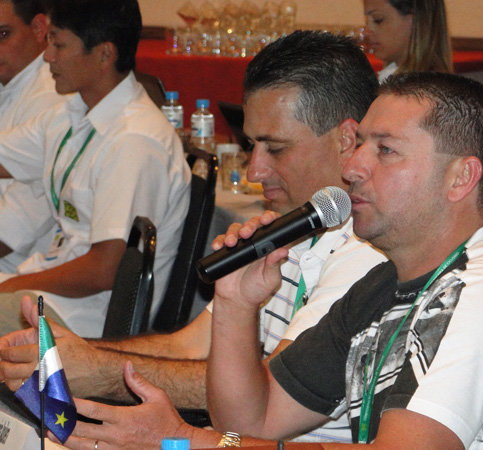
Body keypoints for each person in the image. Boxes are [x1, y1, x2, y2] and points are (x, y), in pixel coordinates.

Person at [0, 30, 387, 447]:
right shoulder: (293, 227)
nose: (254, 171)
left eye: (274, 148)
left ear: (347, 139)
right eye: (250, 145)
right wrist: (83, 355)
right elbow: (188, 346)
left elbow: (263, 401)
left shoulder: (367, 254)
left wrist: (104, 374)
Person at [202, 72, 483, 448]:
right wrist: (237, 302)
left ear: (461, 178)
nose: (351, 168)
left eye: (385, 150)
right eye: (359, 145)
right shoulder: (382, 286)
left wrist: (194, 442)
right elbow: (251, 422)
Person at [0, 0, 190, 338]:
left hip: (89, 318)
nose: (48, 57)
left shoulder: (134, 139)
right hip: (51, 290)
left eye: (59, 45)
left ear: (104, 54)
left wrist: (12, 286)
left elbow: (105, 269)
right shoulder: (73, 112)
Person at [0, 0, 67, 273]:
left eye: (3, 34)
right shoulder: (11, 81)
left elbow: (9, 231)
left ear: (40, 28)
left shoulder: (54, 98)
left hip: (20, 273)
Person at [364, 0, 452, 82]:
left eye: (378, 19)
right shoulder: (392, 76)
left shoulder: (422, 86)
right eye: (367, 21)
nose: (368, 30)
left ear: (416, 19)